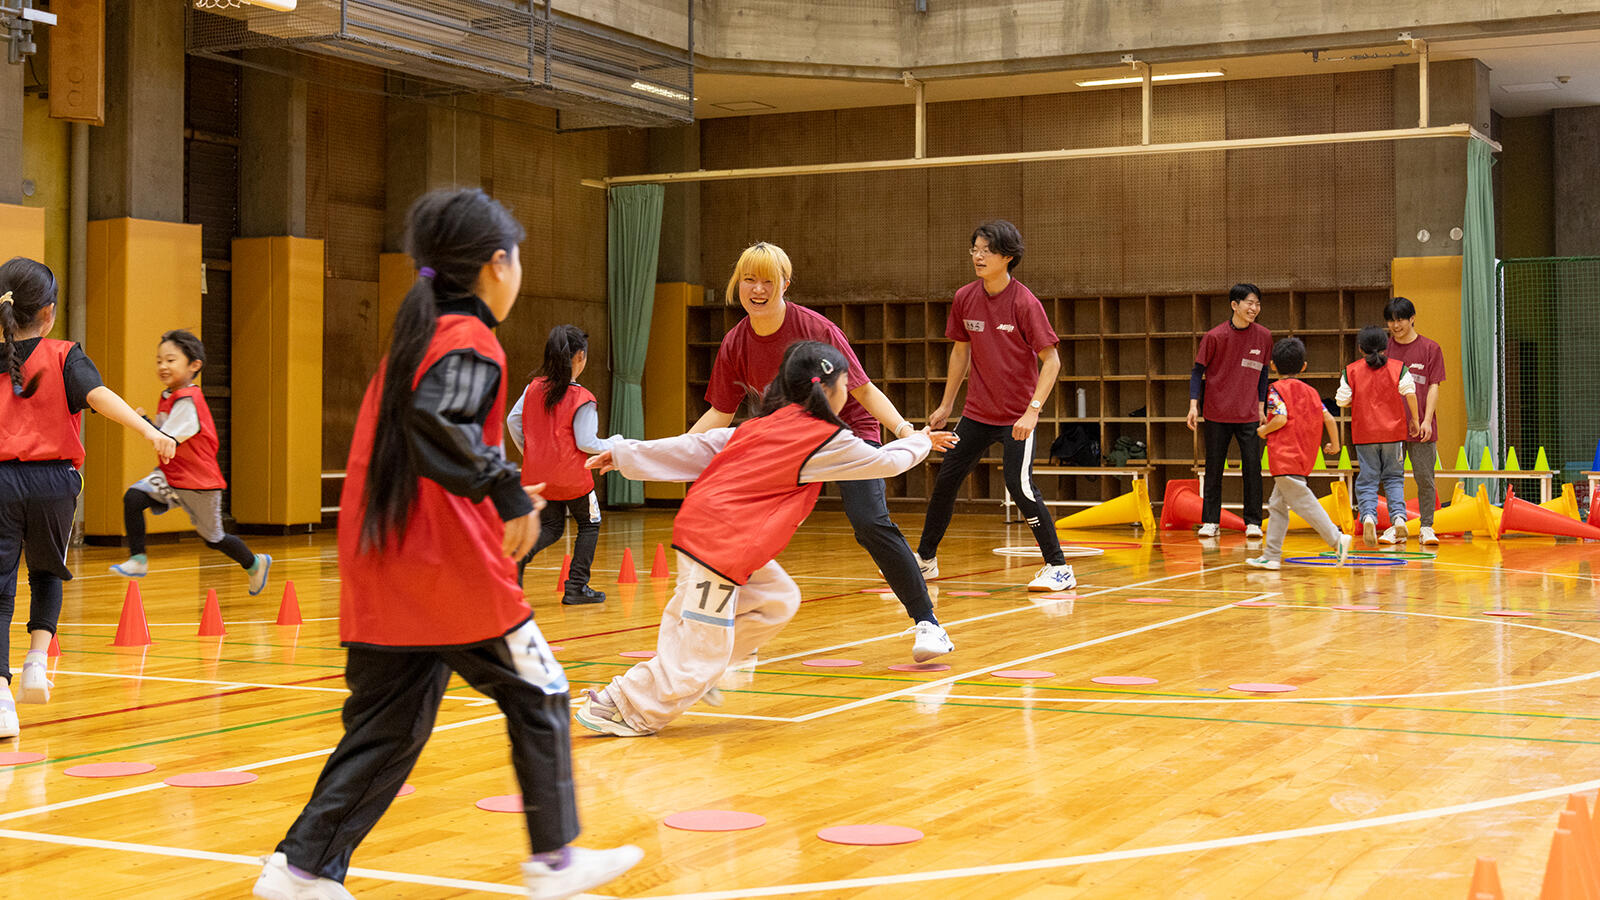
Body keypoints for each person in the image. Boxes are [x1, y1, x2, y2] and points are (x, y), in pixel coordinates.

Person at [253, 190, 640, 900]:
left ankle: (301, 869)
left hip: (383, 559)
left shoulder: (417, 337)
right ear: (497, 264)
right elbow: (439, 422)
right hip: (446, 568)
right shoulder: (468, 341)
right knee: (543, 690)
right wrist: (505, 488)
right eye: (518, 257)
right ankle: (555, 860)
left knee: (389, 729)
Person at [575, 340, 957, 737]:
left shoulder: (761, 424)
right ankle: (619, 705)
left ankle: (702, 668)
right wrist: (922, 441)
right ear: (829, 389)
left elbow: (699, 447)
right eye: (845, 382)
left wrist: (625, 454)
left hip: (713, 534)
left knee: (777, 600)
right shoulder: (826, 439)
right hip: (719, 545)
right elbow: (887, 462)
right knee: (698, 651)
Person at [690, 242, 954, 662]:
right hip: (788, 441)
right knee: (742, 524)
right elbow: (720, 412)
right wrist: (671, 450)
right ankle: (742, 635)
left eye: (767, 281)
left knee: (869, 522)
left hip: (847, 432)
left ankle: (928, 624)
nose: (757, 290)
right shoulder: (735, 343)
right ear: (737, 284)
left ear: (785, 285)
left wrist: (905, 431)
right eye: (749, 280)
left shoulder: (816, 329)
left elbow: (863, 388)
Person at [0, 257, 176, 741]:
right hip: (55, 482)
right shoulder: (64, 354)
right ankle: (37, 660)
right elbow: (98, 396)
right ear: (49, 312)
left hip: (1, 484)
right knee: (46, 570)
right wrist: (148, 430)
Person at [917, 220, 1075, 592]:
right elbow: (960, 351)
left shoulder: (1024, 302)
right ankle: (925, 560)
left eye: (986, 249)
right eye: (974, 248)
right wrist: (946, 405)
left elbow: (1051, 361)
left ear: (1007, 256)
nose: (978, 255)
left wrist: (1032, 410)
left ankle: (1059, 567)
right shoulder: (964, 298)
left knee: (1019, 487)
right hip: (975, 414)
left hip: (1017, 417)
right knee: (945, 482)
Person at [110, 329, 271, 594]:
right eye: (159, 360)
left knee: (214, 539)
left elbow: (168, 439)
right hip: (172, 476)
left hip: (199, 483)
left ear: (194, 365)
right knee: (134, 498)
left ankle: (254, 563)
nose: (163, 366)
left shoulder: (188, 401)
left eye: (171, 360)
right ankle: (138, 559)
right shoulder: (169, 396)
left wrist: (141, 422)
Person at [507, 325, 611, 604]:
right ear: (579, 357)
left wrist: (532, 452)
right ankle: (577, 586)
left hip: (538, 477)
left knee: (551, 527)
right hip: (574, 478)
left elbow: (513, 421)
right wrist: (615, 445)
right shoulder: (582, 398)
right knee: (590, 524)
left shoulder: (533, 388)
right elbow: (587, 442)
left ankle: (514, 563)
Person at [1245, 338, 1354, 570]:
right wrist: (1335, 445)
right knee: (1276, 505)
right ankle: (1272, 555)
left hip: (1284, 458)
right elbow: (1328, 418)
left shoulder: (1275, 390)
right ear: (1304, 366)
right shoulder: (1312, 392)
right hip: (1304, 457)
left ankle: (1337, 540)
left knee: (1304, 503)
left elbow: (1281, 418)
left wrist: (1263, 430)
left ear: (1273, 365)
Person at [1187, 283, 1273, 539]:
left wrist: (1260, 406)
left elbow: (1264, 374)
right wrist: (1193, 405)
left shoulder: (1264, 336)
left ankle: (1254, 522)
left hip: (1248, 414)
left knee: (1252, 470)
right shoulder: (1215, 336)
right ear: (1234, 305)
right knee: (1213, 469)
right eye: (1249, 303)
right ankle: (1211, 521)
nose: (1254, 308)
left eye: (1257, 303)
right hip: (1216, 413)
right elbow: (1197, 372)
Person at [1337, 325, 1421, 548]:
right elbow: (1410, 393)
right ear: (1386, 346)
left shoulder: (1351, 370)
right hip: (1393, 434)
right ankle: (1399, 518)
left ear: (1360, 348)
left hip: (1364, 434)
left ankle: (1368, 517)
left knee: (1367, 480)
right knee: (1393, 478)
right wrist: (1415, 420)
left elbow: (1341, 400)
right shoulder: (1398, 368)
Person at [1383, 297, 1444, 545]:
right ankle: (1395, 524)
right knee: (1391, 477)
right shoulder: (1385, 350)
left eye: (1400, 320)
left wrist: (1427, 420)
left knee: (1425, 477)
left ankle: (1427, 526)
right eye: (1391, 320)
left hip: (1422, 429)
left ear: (1412, 318)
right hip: (1391, 428)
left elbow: (1433, 386)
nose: (1396, 325)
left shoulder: (1431, 349)